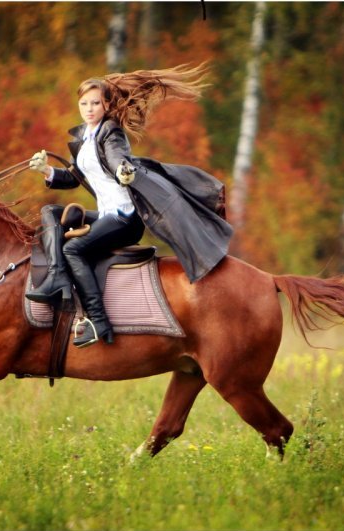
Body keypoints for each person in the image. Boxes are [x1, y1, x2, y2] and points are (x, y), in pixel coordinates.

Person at [26, 64, 233, 348]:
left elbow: (116, 158)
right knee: (50, 212)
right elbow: (75, 177)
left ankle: (98, 322)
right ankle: (57, 279)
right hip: (108, 214)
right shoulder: (86, 138)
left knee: (74, 248)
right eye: (84, 103)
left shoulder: (110, 133)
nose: (89, 108)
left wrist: (124, 170)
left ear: (107, 104)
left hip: (124, 218)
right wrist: (47, 172)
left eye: (95, 103)